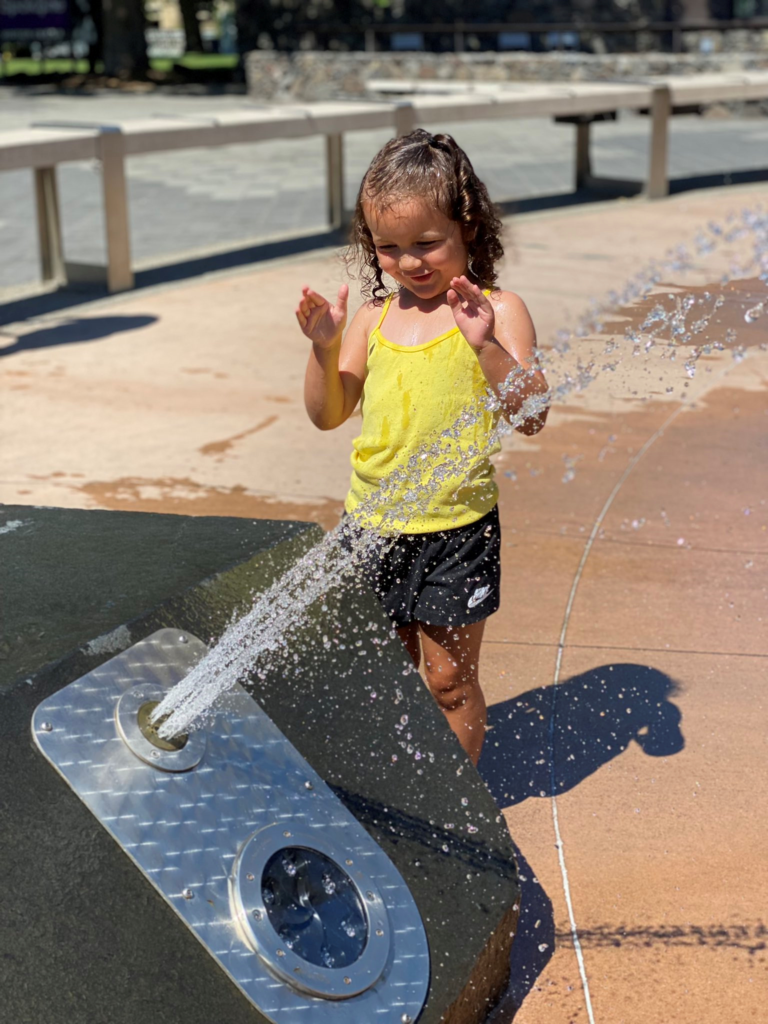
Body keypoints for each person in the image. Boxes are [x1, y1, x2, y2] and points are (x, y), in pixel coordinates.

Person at [296, 129, 549, 765]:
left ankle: (457, 804)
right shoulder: (373, 319)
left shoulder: (498, 310)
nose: (409, 262)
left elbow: (533, 415)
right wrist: (324, 349)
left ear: (469, 226)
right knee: (385, 677)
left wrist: (484, 345)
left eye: (426, 242)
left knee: (448, 681)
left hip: (457, 531)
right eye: (389, 248)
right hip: (372, 525)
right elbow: (327, 414)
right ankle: (400, 785)